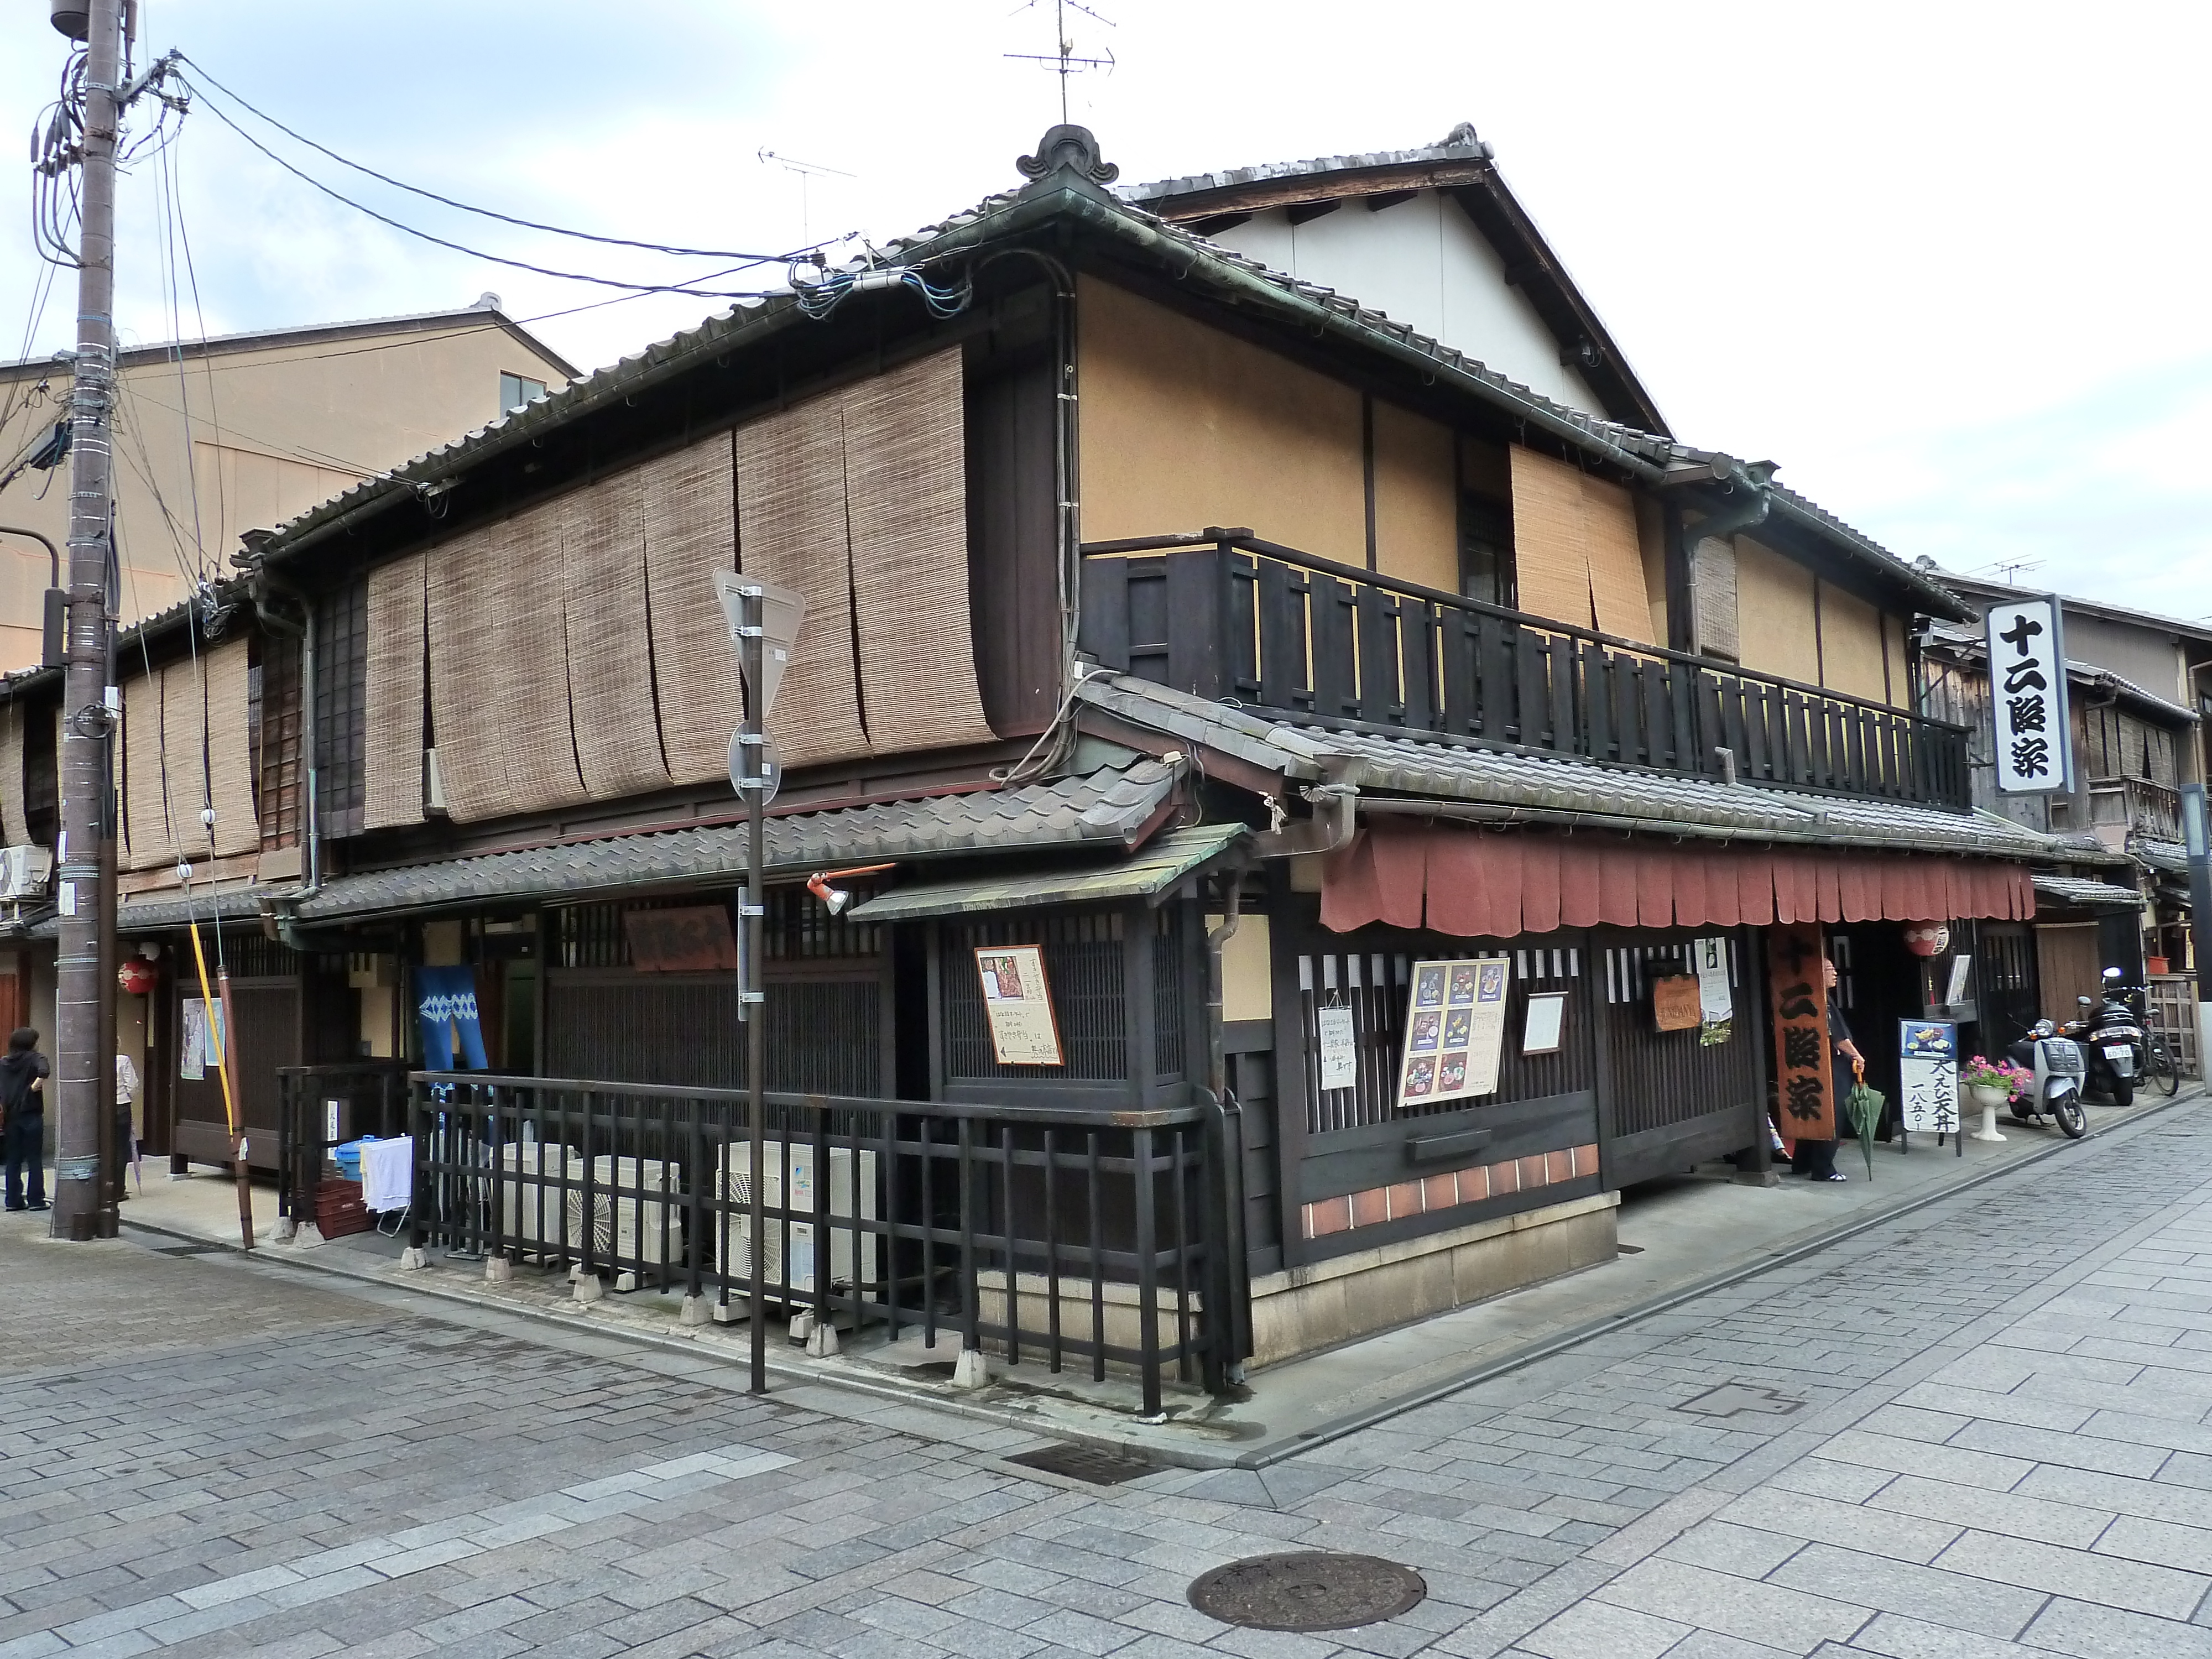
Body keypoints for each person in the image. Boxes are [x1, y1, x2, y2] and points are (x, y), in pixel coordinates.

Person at [1792, 957, 1866, 1183]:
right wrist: (1856, 1055)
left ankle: (1802, 1163)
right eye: (1828, 969)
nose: (1834, 973)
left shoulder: (1811, 998)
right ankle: (1824, 1168)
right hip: (1829, 1066)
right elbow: (1838, 1037)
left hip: (1810, 1064)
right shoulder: (1819, 1001)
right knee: (1832, 1115)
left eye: (1833, 968)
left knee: (1812, 1110)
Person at [2, 1027, 53, 1212]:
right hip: (31, 1113)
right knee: (34, 1158)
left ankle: (13, 1201)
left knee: (13, 1159)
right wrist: (33, 1089)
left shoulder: (4, 1063)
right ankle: (36, 1200)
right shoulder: (36, 1057)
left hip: (11, 1115)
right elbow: (44, 1072)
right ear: (31, 1042)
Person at [114, 1049, 140, 1202]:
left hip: (100, 1108)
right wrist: (127, 1096)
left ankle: (102, 1187)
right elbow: (132, 1085)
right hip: (121, 1106)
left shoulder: (95, 1058)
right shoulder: (123, 1060)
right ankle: (118, 1190)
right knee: (120, 1148)